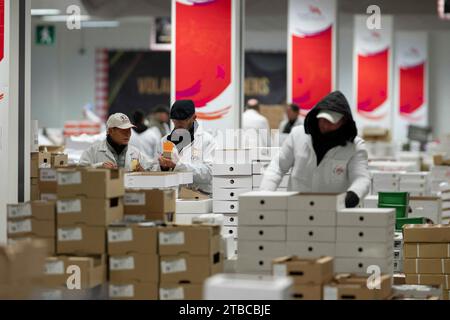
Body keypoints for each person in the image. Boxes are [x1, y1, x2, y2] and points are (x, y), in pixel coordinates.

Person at [260, 91, 371, 208]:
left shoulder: (355, 147)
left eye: (331, 122)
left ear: (343, 122)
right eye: (322, 120)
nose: (325, 125)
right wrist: (264, 195)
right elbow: (277, 167)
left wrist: (352, 196)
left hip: (333, 213)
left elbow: (361, 178)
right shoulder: (298, 136)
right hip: (297, 210)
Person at [154, 100, 216, 194]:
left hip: (200, 198)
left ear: (194, 117)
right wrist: (163, 168)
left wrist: (178, 166)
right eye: (175, 120)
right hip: (172, 198)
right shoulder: (164, 141)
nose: (179, 123)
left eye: (184, 120)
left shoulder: (206, 140)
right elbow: (155, 173)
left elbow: (209, 174)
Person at [79, 113, 151, 171]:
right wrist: (98, 167)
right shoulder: (92, 151)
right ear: (110, 131)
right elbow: (80, 171)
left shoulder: (136, 153)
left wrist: (142, 172)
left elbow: (152, 171)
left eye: (129, 130)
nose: (127, 134)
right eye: (123, 130)